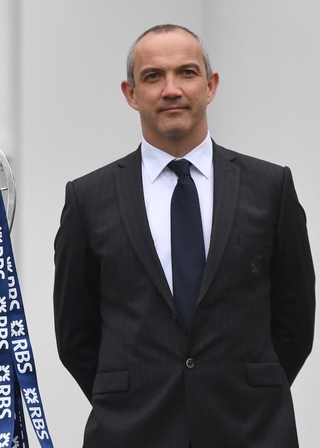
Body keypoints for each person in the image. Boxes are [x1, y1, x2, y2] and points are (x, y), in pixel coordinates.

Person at [53, 24, 315, 447]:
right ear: (130, 93)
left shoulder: (271, 187)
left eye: (187, 73)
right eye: (153, 76)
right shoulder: (87, 198)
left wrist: (248, 393)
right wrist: (132, 395)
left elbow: (296, 322)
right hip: (132, 431)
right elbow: (75, 336)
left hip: (253, 430)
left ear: (210, 86)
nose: (171, 89)